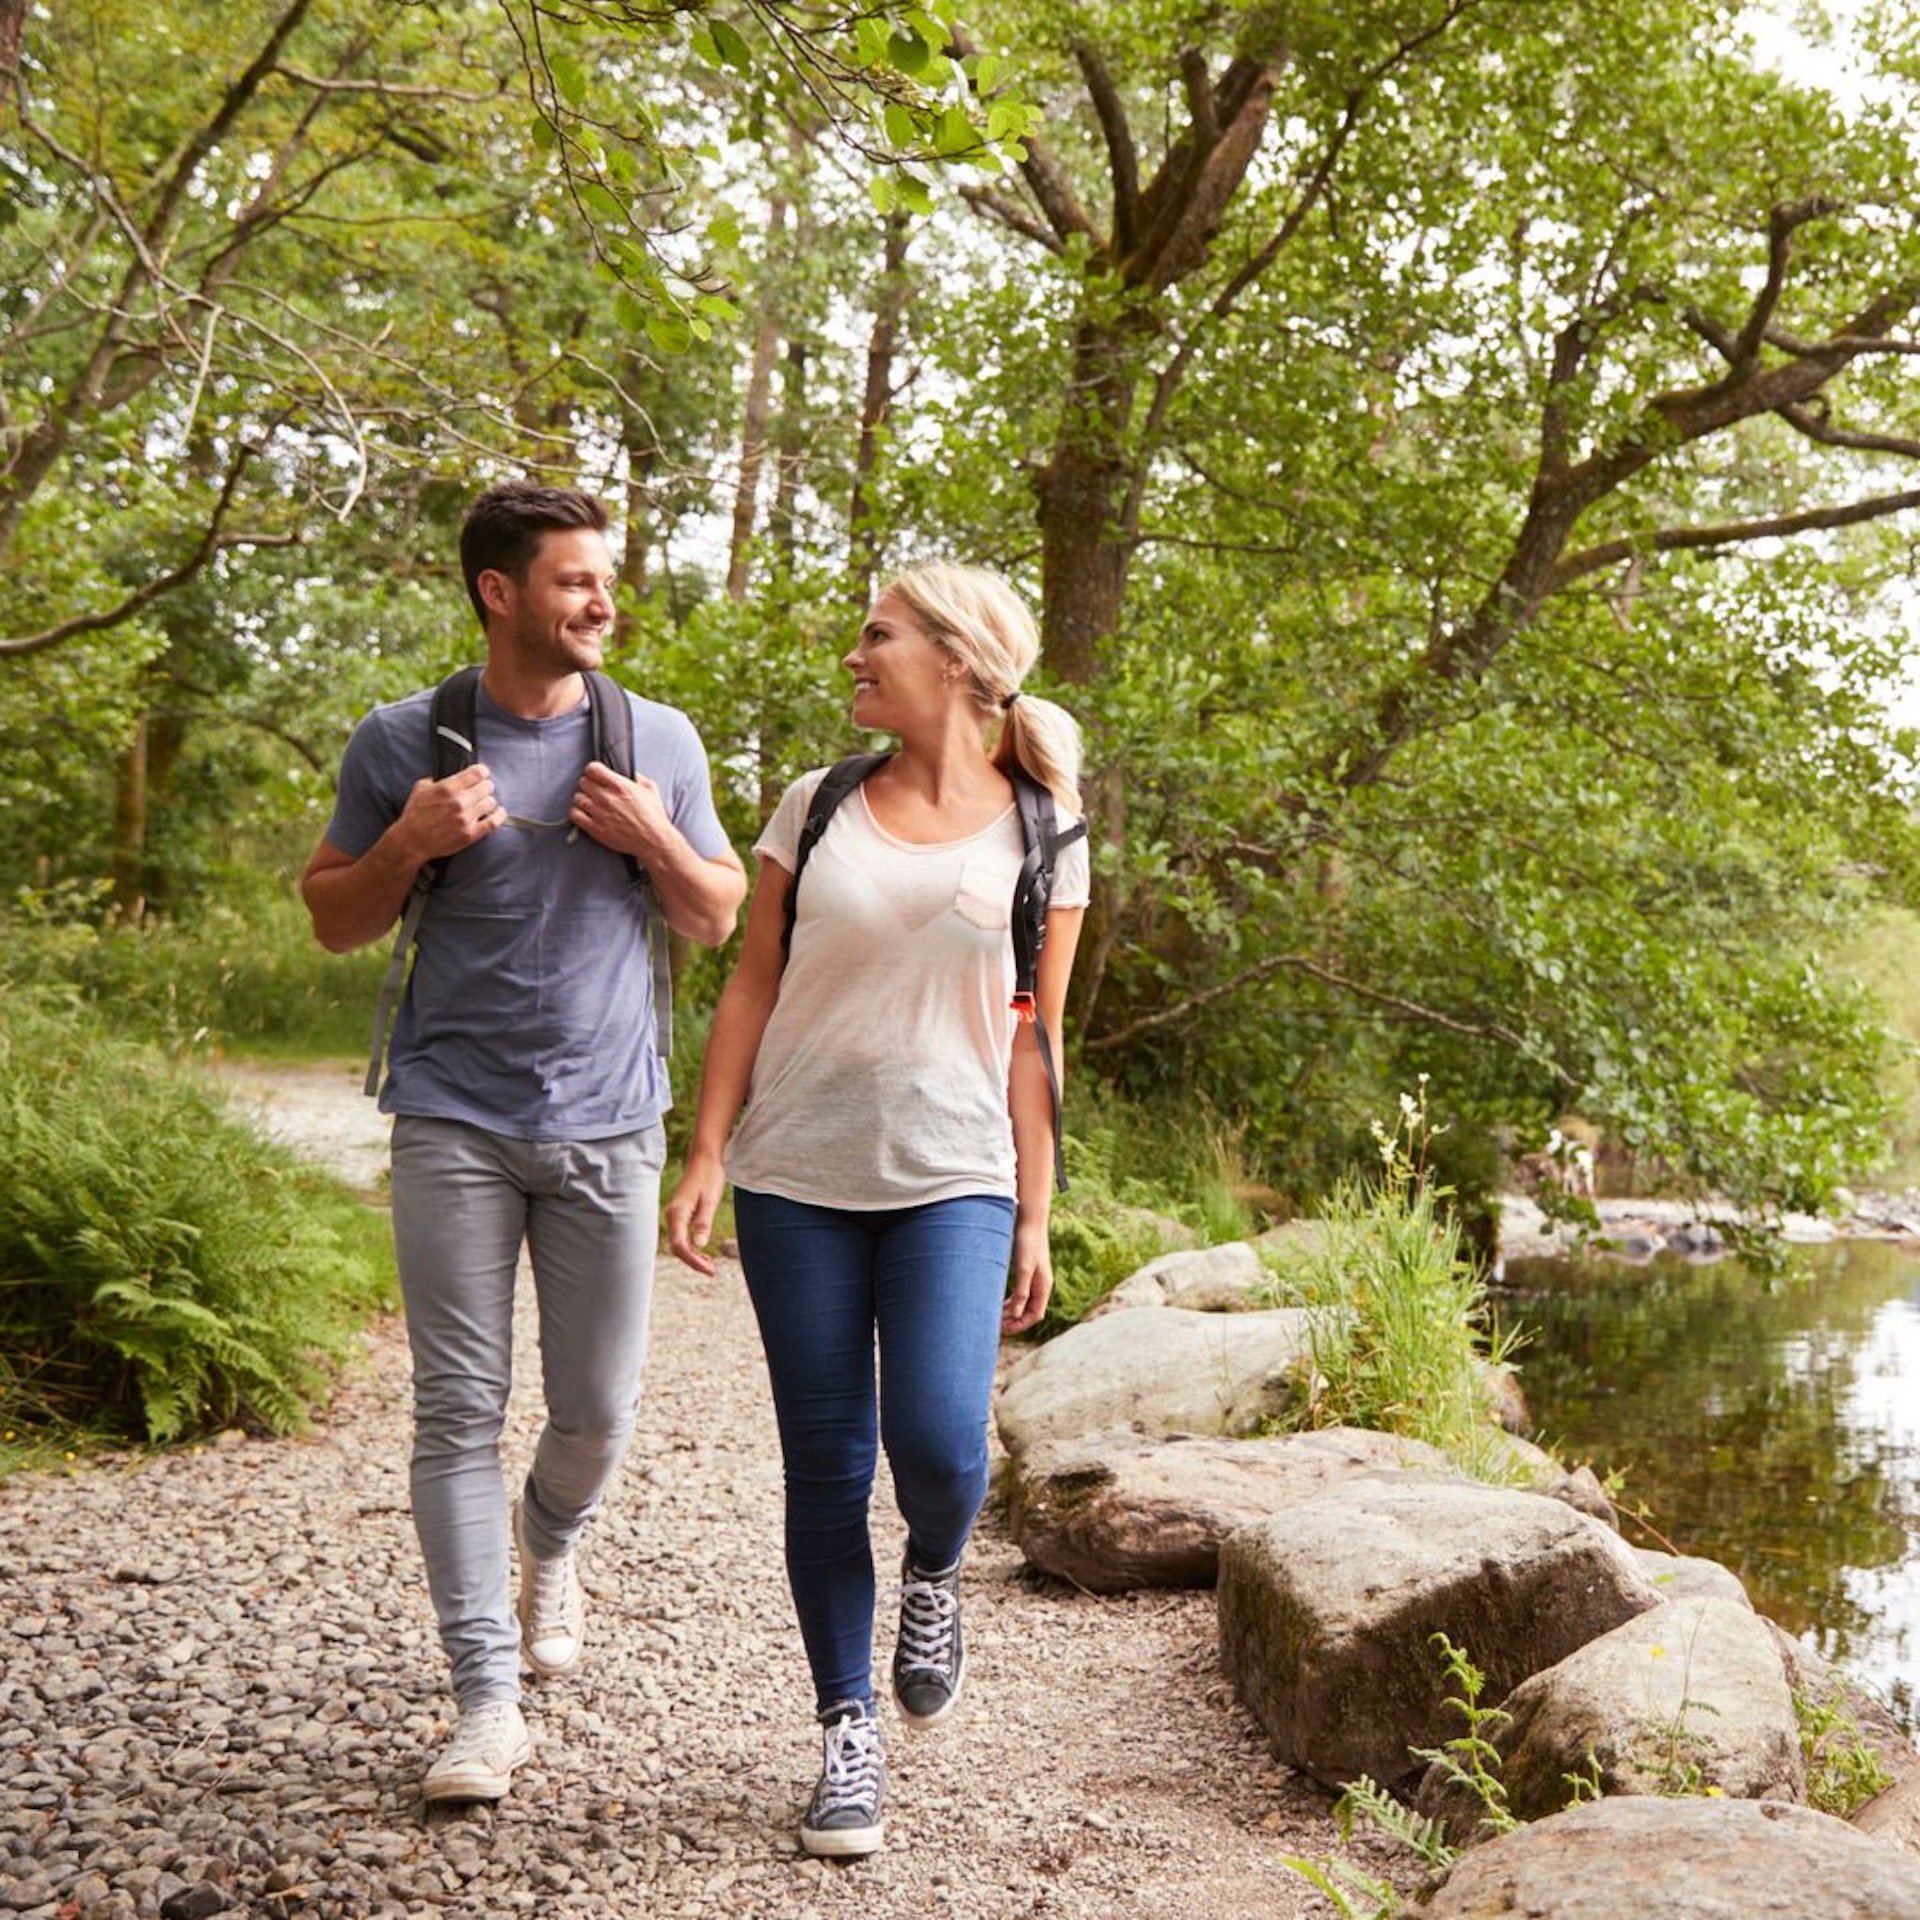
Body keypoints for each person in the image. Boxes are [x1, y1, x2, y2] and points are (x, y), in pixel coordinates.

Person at [301, 483, 746, 1803]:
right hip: (453, 1118)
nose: (604, 602)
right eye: (575, 581)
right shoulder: (403, 740)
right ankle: (484, 1703)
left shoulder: (654, 735)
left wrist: (657, 836)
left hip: (611, 1125)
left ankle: (553, 1535)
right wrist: (407, 841)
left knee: (596, 1411)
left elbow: (718, 917)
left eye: (604, 579)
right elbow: (332, 918)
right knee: (456, 1408)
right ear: (500, 593)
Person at [664, 562, 1089, 1858]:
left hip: (958, 1176)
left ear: (957, 663)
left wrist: (1035, 1212)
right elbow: (749, 984)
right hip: (798, 1177)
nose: (854, 655)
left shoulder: (1047, 828)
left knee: (945, 1444)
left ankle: (935, 1577)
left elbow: (1039, 1038)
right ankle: (846, 1730)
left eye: (876, 635)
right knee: (830, 1464)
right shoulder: (818, 802)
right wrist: (707, 1147)